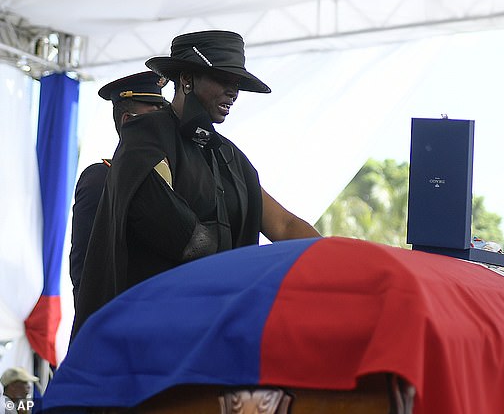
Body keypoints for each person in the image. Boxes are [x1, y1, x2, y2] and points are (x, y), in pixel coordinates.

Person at [72, 30, 320, 338]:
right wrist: (254, 274)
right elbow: (188, 240)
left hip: (213, 330)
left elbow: (283, 225)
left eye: (237, 84)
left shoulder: (229, 156)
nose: (234, 92)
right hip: (151, 336)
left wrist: (340, 261)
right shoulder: (145, 138)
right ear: (187, 79)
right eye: (224, 80)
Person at [69, 71, 168, 308]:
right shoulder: (101, 179)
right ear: (128, 120)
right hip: (119, 320)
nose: (165, 126)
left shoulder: (169, 180)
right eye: (154, 114)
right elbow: (85, 269)